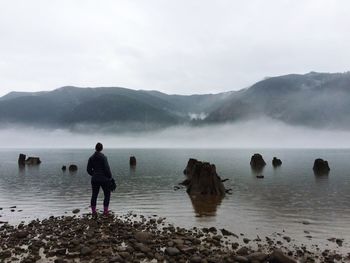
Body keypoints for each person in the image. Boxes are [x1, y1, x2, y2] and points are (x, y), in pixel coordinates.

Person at [87, 142, 112, 215]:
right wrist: (110, 177)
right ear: (101, 148)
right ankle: (105, 211)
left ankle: (94, 211)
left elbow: (88, 170)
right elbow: (107, 169)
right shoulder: (103, 157)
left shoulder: (91, 158)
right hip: (104, 179)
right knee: (107, 194)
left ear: (95, 148)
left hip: (95, 179)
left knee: (94, 195)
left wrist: (94, 174)